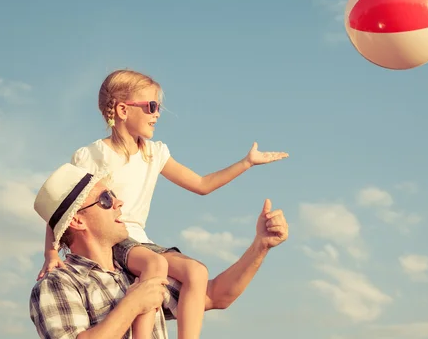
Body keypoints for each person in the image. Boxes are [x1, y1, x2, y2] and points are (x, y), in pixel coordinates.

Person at [36, 69, 289, 339]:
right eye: (151, 106)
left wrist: (246, 163)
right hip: (119, 242)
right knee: (156, 265)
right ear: (123, 110)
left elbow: (202, 185)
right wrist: (51, 254)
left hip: (141, 242)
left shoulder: (154, 153)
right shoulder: (94, 155)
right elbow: (64, 207)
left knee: (196, 271)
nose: (157, 114)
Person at [30, 163, 289, 339]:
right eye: (106, 200)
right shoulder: (57, 284)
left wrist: (260, 245)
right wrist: (132, 304)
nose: (119, 203)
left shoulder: (133, 275)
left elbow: (215, 296)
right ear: (77, 221)